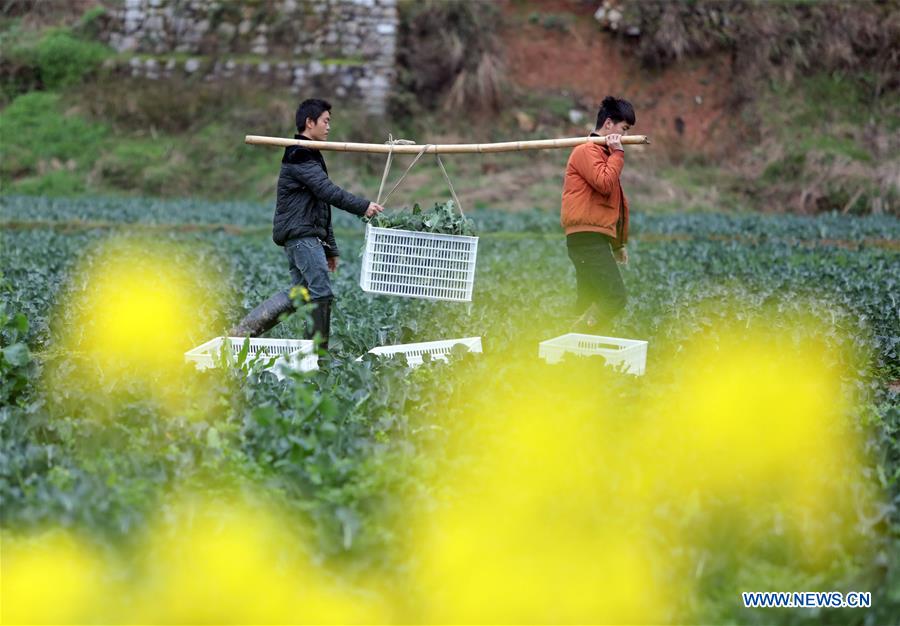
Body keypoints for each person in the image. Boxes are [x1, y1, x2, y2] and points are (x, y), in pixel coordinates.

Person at [230, 98, 384, 351]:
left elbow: (321, 206)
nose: (329, 127)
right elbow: (327, 191)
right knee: (320, 292)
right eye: (325, 121)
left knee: (299, 292)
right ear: (309, 122)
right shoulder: (298, 154)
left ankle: (242, 333)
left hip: (305, 236)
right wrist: (363, 206)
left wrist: (330, 248)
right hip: (301, 235)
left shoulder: (310, 154)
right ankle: (316, 354)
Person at [560, 96, 635, 332]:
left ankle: (569, 344)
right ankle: (575, 335)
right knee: (615, 297)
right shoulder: (586, 151)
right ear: (609, 124)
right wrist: (618, 153)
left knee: (588, 300)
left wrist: (617, 245)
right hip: (586, 239)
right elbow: (604, 183)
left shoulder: (604, 155)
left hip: (592, 239)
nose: (624, 135)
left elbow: (614, 206)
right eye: (624, 129)